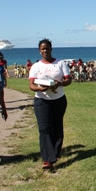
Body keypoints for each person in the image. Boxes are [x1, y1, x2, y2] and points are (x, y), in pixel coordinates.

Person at [29, 38, 72, 170]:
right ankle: (47, 159)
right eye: (42, 49)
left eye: (47, 48)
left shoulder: (60, 63)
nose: (45, 51)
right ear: (39, 51)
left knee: (56, 127)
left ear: (51, 49)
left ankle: (56, 151)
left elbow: (68, 80)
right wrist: (39, 88)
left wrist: (60, 83)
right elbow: (31, 85)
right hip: (41, 100)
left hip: (58, 99)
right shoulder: (36, 66)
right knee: (44, 128)